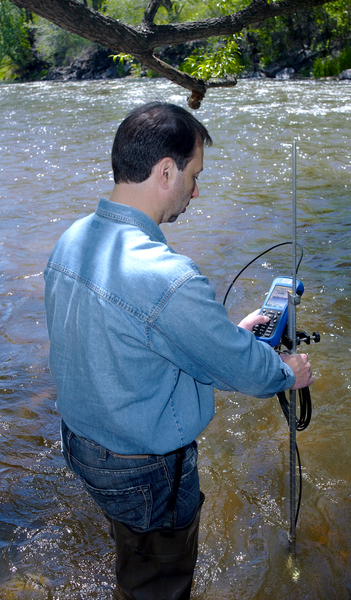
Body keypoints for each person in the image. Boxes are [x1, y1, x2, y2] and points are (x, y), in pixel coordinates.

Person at [44, 102, 313, 600]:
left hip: (83, 445)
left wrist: (225, 334)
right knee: (158, 585)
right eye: (194, 174)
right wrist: (286, 372)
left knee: (133, 548)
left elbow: (133, 340)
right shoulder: (168, 277)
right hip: (142, 467)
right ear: (166, 171)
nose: (196, 189)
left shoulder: (72, 239)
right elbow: (247, 373)